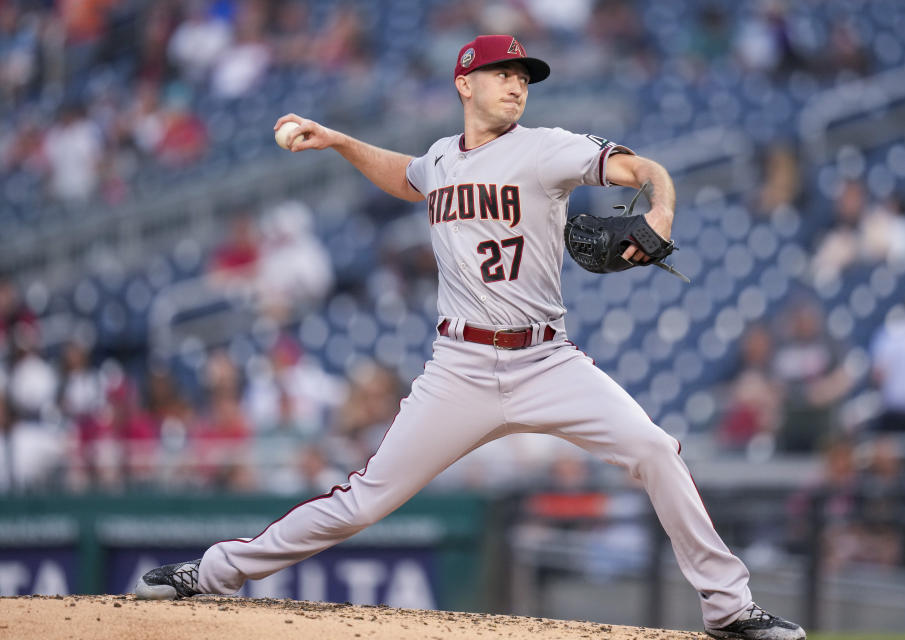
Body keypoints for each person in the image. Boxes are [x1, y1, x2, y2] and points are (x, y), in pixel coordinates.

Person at [135, 35, 804, 640]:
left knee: (655, 449)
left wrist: (659, 207)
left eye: (523, 77)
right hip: (458, 368)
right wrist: (339, 141)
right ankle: (216, 572)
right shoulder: (440, 161)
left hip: (546, 360)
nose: (516, 85)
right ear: (465, 83)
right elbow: (406, 174)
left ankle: (730, 608)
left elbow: (642, 167)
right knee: (362, 501)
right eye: (502, 74)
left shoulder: (546, 147)